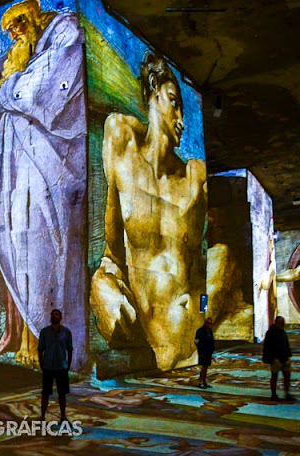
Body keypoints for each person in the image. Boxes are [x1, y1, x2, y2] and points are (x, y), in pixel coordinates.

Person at [0, 0, 87, 369]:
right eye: (8, 28)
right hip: (13, 171)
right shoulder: (19, 56)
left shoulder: (64, 32)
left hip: (48, 164)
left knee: (39, 252)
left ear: (36, 15)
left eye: (18, 22)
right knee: (14, 247)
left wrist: (9, 81)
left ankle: (40, 340)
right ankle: (22, 335)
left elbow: (37, 93)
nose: (13, 32)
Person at [90, 52, 207, 371]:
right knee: (103, 288)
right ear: (153, 96)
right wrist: (109, 274)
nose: (181, 118)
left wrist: (199, 312)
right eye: (173, 101)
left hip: (179, 321)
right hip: (136, 312)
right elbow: (113, 235)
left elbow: (196, 262)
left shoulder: (194, 178)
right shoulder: (121, 138)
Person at [38, 309, 73, 422]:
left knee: (62, 393)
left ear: (60, 317)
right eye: (53, 315)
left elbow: (70, 349)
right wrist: (42, 364)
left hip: (61, 367)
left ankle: (63, 416)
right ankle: (42, 417)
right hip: (48, 366)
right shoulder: (44, 332)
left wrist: (68, 364)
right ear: (50, 317)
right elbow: (40, 350)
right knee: (45, 393)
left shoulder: (66, 332)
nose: (55, 316)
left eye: (57, 315)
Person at [262, 316, 294, 402]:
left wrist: (288, 355)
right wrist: (272, 358)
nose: (283, 324)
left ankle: (287, 393)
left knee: (287, 376)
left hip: (284, 358)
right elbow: (268, 347)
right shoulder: (270, 333)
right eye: (281, 323)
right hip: (275, 359)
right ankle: (273, 394)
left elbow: (286, 344)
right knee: (274, 377)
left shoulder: (282, 332)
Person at [195, 318, 215, 388]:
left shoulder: (210, 331)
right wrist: (200, 349)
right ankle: (200, 382)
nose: (209, 325)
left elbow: (212, 341)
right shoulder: (200, 331)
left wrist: (212, 351)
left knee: (206, 367)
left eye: (210, 323)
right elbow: (196, 341)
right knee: (203, 368)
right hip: (203, 352)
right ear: (205, 323)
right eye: (208, 323)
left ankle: (204, 381)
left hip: (208, 352)